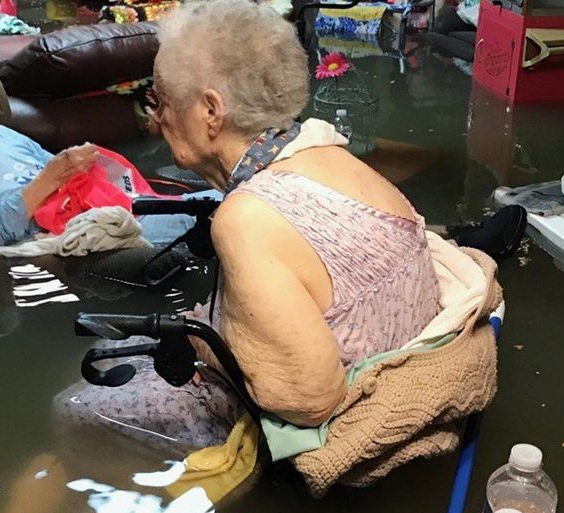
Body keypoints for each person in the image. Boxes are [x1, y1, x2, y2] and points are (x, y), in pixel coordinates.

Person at [54, 0, 448, 452]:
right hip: (387, 355)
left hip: (317, 425)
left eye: (160, 100)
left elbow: (309, 399)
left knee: (73, 407)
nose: (157, 117)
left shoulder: (247, 218)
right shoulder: (329, 154)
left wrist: (201, 346)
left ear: (210, 111)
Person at [0, 42, 211, 252]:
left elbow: (67, 181)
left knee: (220, 204)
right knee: (217, 219)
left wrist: (74, 166)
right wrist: (49, 179)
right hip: (75, 240)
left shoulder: (1, 134)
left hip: (110, 212)